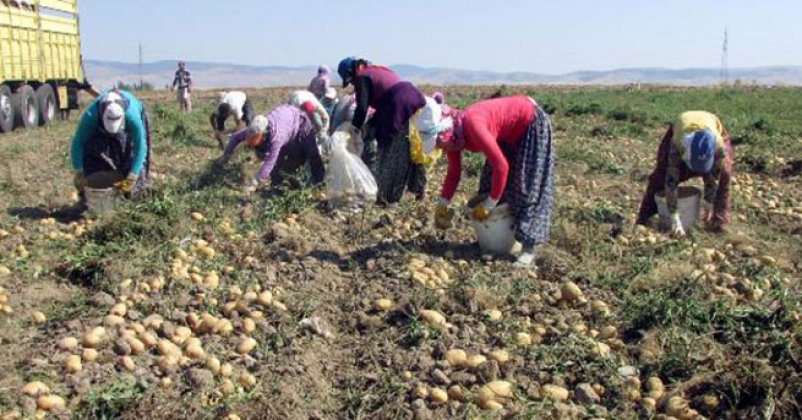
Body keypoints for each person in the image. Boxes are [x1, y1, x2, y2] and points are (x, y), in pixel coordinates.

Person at [429, 96, 555, 268]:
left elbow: (501, 167)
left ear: (447, 134)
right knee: (489, 182)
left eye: (440, 145)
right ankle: (493, 241)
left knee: (526, 185)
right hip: (506, 133)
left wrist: (489, 205)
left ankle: (528, 248)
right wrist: (442, 204)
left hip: (529, 124)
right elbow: (454, 172)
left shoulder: (473, 125)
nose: (442, 149)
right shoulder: (452, 137)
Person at [337, 56, 427, 204]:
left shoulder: (362, 77)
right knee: (407, 146)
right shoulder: (377, 70)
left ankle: (387, 196)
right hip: (410, 95)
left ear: (352, 71)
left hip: (397, 102)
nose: (353, 83)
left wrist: (354, 130)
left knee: (389, 150)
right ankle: (418, 187)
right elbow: (384, 99)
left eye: (351, 80)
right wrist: (369, 124)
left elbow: (362, 108)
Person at [637, 111, 733, 235]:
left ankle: (718, 222)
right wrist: (675, 219)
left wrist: (709, 205)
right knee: (661, 174)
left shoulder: (718, 146)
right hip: (681, 127)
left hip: (713, 125)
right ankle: (646, 216)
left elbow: (715, 176)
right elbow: (671, 181)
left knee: (725, 173)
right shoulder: (678, 143)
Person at [215, 105, 325, 192]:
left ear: (263, 135)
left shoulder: (276, 137)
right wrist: (225, 157)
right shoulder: (253, 130)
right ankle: (276, 187)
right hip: (286, 123)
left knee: (311, 155)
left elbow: (269, 163)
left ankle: (320, 183)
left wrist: (255, 182)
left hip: (300, 125)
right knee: (279, 164)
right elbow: (235, 138)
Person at [71, 89, 151, 203]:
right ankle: (89, 196)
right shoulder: (91, 115)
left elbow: (141, 147)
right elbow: (78, 142)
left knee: (133, 160)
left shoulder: (132, 117)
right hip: (99, 127)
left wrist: (134, 174)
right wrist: (79, 170)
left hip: (132, 117)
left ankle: (134, 195)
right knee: (92, 151)